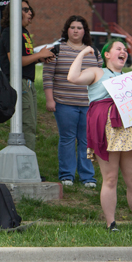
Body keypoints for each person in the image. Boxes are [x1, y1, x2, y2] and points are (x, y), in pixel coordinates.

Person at [67, 38, 132, 232]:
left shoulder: (131, 79)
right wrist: (82, 53)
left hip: (128, 127)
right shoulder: (98, 72)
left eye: (125, 49)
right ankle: (110, 223)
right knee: (110, 178)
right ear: (107, 54)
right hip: (106, 128)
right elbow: (73, 78)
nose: (124, 52)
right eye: (118, 49)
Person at [43, 16, 100, 188]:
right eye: (72, 27)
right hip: (64, 103)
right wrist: (49, 99)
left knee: (86, 140)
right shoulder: (57, 50)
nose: (75, 30)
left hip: (89, 105)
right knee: (67, 138)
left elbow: (100, 79)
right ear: (67, 30)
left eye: (79, 28)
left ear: (85, 31)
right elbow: (47, 77)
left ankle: (88, 177)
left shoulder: (94, 52)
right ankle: (66, 175)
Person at [0, 0, 55, 152]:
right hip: (19, 84)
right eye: (25, 9)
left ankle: (27, 165)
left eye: (30, 9)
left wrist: (40, 57)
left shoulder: (24, 33)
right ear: (15, 12)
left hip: (28, 84)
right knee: (27, 125)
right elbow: (15, 61)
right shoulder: (11, 31)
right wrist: (39, 55)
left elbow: (25, 58)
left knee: (31, 124)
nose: (30, 12)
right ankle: (26, 169)